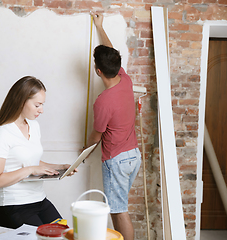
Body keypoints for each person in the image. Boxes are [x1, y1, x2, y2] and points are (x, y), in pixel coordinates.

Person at [0, 76, 76, 229]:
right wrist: (31, 169)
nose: (41, 110)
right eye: (37, 105)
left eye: (42, 105)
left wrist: (61, 167)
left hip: (40, 201)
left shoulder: (34, 126)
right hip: (13, 206)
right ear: (21, 101)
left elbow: (31, 161)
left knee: (65, 236)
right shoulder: (1, 134)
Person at [82, 13, 142, 240]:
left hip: (116, 160)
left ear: (98, 71)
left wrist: (83, 151)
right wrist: (100, 26)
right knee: (119, 207)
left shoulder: (103, 101)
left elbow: (96, 137)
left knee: (118, 211)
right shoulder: (125, 80)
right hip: (132, 156)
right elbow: (110, 51)